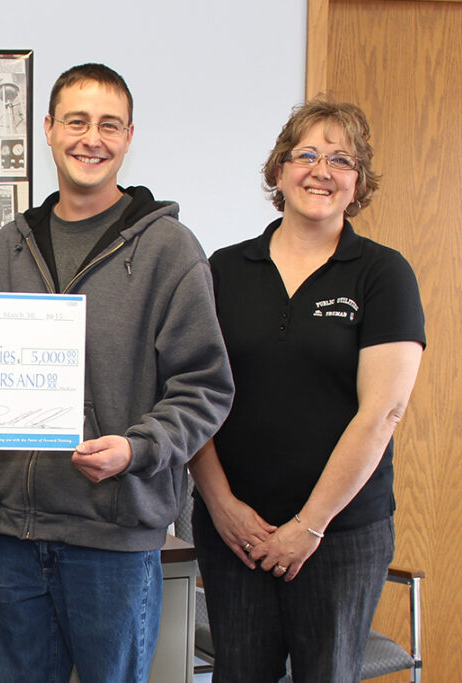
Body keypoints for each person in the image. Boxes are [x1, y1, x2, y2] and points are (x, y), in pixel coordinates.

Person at [0, 63, 234, 682]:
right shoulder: (8, 248)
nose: (92, 138)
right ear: (48, 128)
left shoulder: (170, 249)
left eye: (109, 125)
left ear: (129, 136)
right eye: (77, 121)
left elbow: (205, 387)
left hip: (114, 538)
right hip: (16, 537)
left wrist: (137, 448)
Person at [189, 99, 425, 683]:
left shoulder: (382, 274)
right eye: (307, 155)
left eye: (341, 160)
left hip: (340, 535)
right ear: (278, 170)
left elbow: (383, 411)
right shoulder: (222, 270)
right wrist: (222, 508)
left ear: (357, 184)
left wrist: (310, 525)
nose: (322, 170)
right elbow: (192, 397)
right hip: (235, 533)